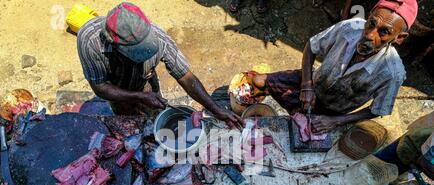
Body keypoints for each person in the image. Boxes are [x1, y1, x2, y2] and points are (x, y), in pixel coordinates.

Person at [248, 0, 418, 134]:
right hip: (311, 83)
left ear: (399, 38)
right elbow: (312, 46)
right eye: (371, 23)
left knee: (303, 132)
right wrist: (306, 86)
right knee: (257, 81)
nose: (369, 34)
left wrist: (335, 121)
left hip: (333, 111)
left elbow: (378, 109)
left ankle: (301, 113)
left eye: (384, 32)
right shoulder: (350, 27)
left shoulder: (392, 73)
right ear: (370, 15)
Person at [77, 2, 244, 129]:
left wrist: (216, 109)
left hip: (145, 81)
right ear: (114, 44)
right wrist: (138, 97)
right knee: (127, 120)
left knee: (157, 115)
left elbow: (185, 76)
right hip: (115, 87)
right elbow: (100, 87)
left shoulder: (159, 37)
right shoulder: (90, 41)